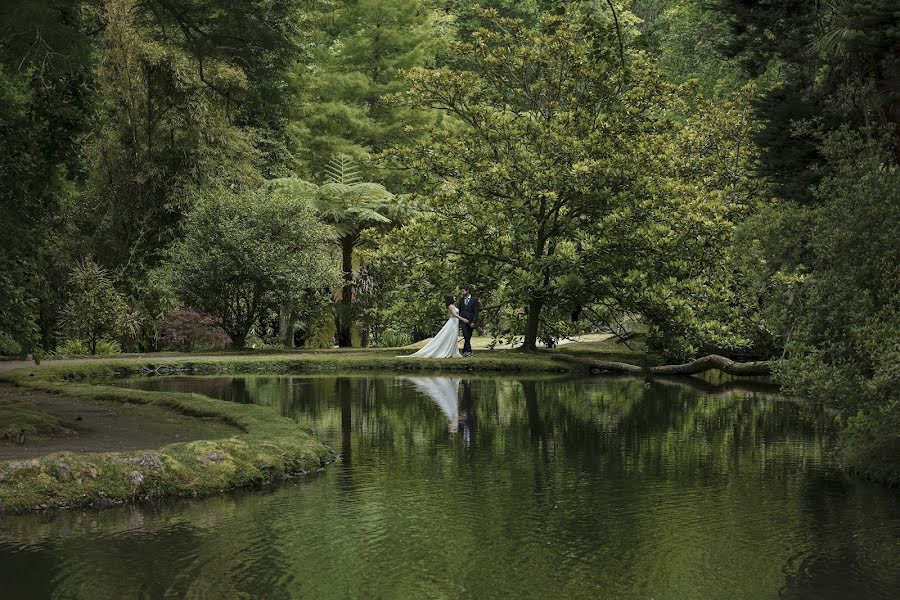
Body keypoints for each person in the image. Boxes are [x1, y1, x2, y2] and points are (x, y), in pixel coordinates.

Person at [399, 294, 469, 358]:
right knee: (450, 336)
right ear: (451, 298)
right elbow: (454, 314)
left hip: (454, 322)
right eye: (453, 296)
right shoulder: (450, 306)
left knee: (453, 337)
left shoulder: (453, 305)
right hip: (452, 322)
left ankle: (453, 351)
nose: (455, 297)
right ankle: (448, 351)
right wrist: (463, 319)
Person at [458, 286, 478, 357]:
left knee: (468, 336)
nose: (462, 293)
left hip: (471, 320)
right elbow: (459, 311)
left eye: (463, 291)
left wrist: (473, 322)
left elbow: (476, 312)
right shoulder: (461, 300)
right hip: (463, 320)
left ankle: (464, 350)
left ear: (467, 291)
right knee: (466, 335)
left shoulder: (474, 300)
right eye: (461, 291)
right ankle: (469, 351)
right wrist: (460, 320)